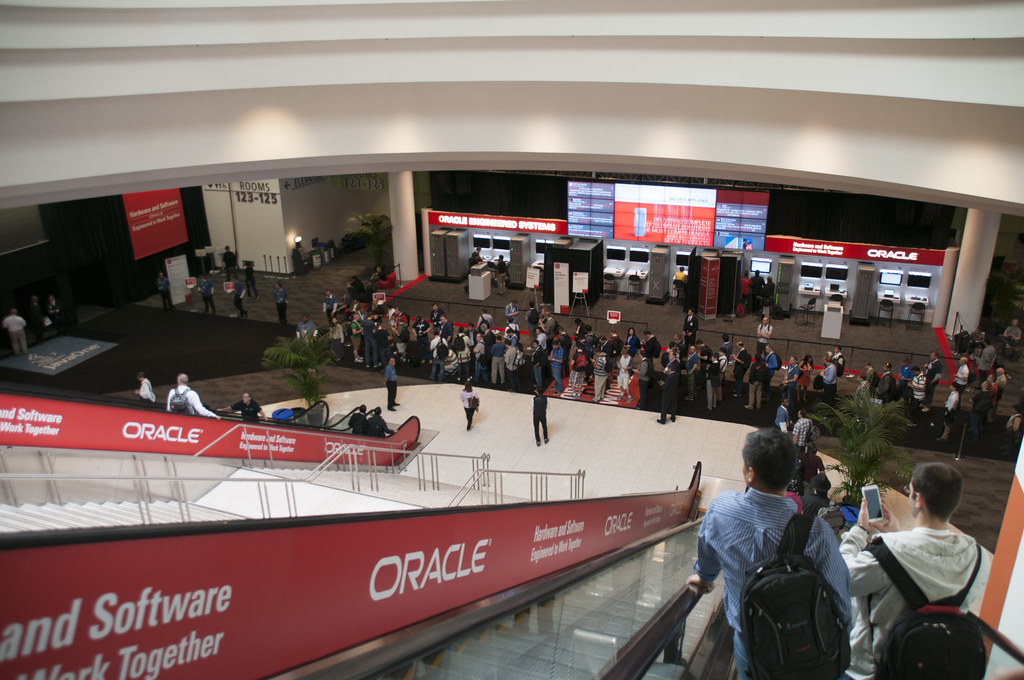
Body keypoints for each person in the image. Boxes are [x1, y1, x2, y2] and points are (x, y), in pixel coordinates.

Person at [686, 428, 850, 678]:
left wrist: (705, 578)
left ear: (750, 473)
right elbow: (841, 606)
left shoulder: (721, 510)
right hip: (808, 649)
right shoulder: (817, 532)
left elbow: (708, 560)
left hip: (751, 642)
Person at [840, 462, 989, 680]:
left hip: (875, 670)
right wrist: (897, 535)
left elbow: (842, 577)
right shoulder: (978, 556)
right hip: (937, 666)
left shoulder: (886, 554)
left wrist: (860, 531)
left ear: (918, 500)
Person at [657, 349, 680, 424]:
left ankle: (663, 420)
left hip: (668, 392)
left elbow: (665, 387)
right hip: (674, 391)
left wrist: (662, 384)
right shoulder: (676, 375)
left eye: (670, 355)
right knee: (673, 405)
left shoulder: (670, 377)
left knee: (664, 406)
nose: (669, 356)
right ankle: (673, 417)